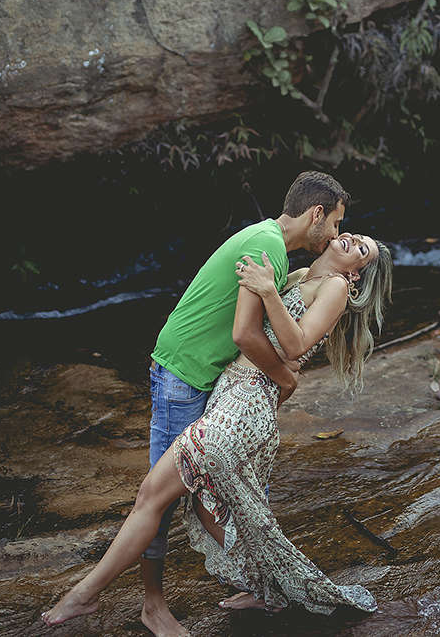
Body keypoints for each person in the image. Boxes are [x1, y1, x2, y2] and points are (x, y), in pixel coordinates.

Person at [42, 231, 393, 630]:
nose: (349, 238)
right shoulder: (300, 276)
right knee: (230, 513)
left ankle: (85, 594)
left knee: (152, 498)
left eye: (362, 248)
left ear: (358, 275)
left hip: (243, 409)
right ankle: (272, 591)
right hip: (232, 395)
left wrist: (267, 291)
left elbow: (295, 345)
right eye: (352, 233)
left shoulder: (335, 288)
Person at [108, 171, 349, 637]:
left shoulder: (276, 251)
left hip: (198, 375)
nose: (336, 234)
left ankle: (260, 586)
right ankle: (152, 605)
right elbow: (245, 333)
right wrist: (285, 377)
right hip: (185, 375)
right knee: (156, 497)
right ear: (316, 214)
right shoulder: (268, 249)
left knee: (202, 494)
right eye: (336, 223)